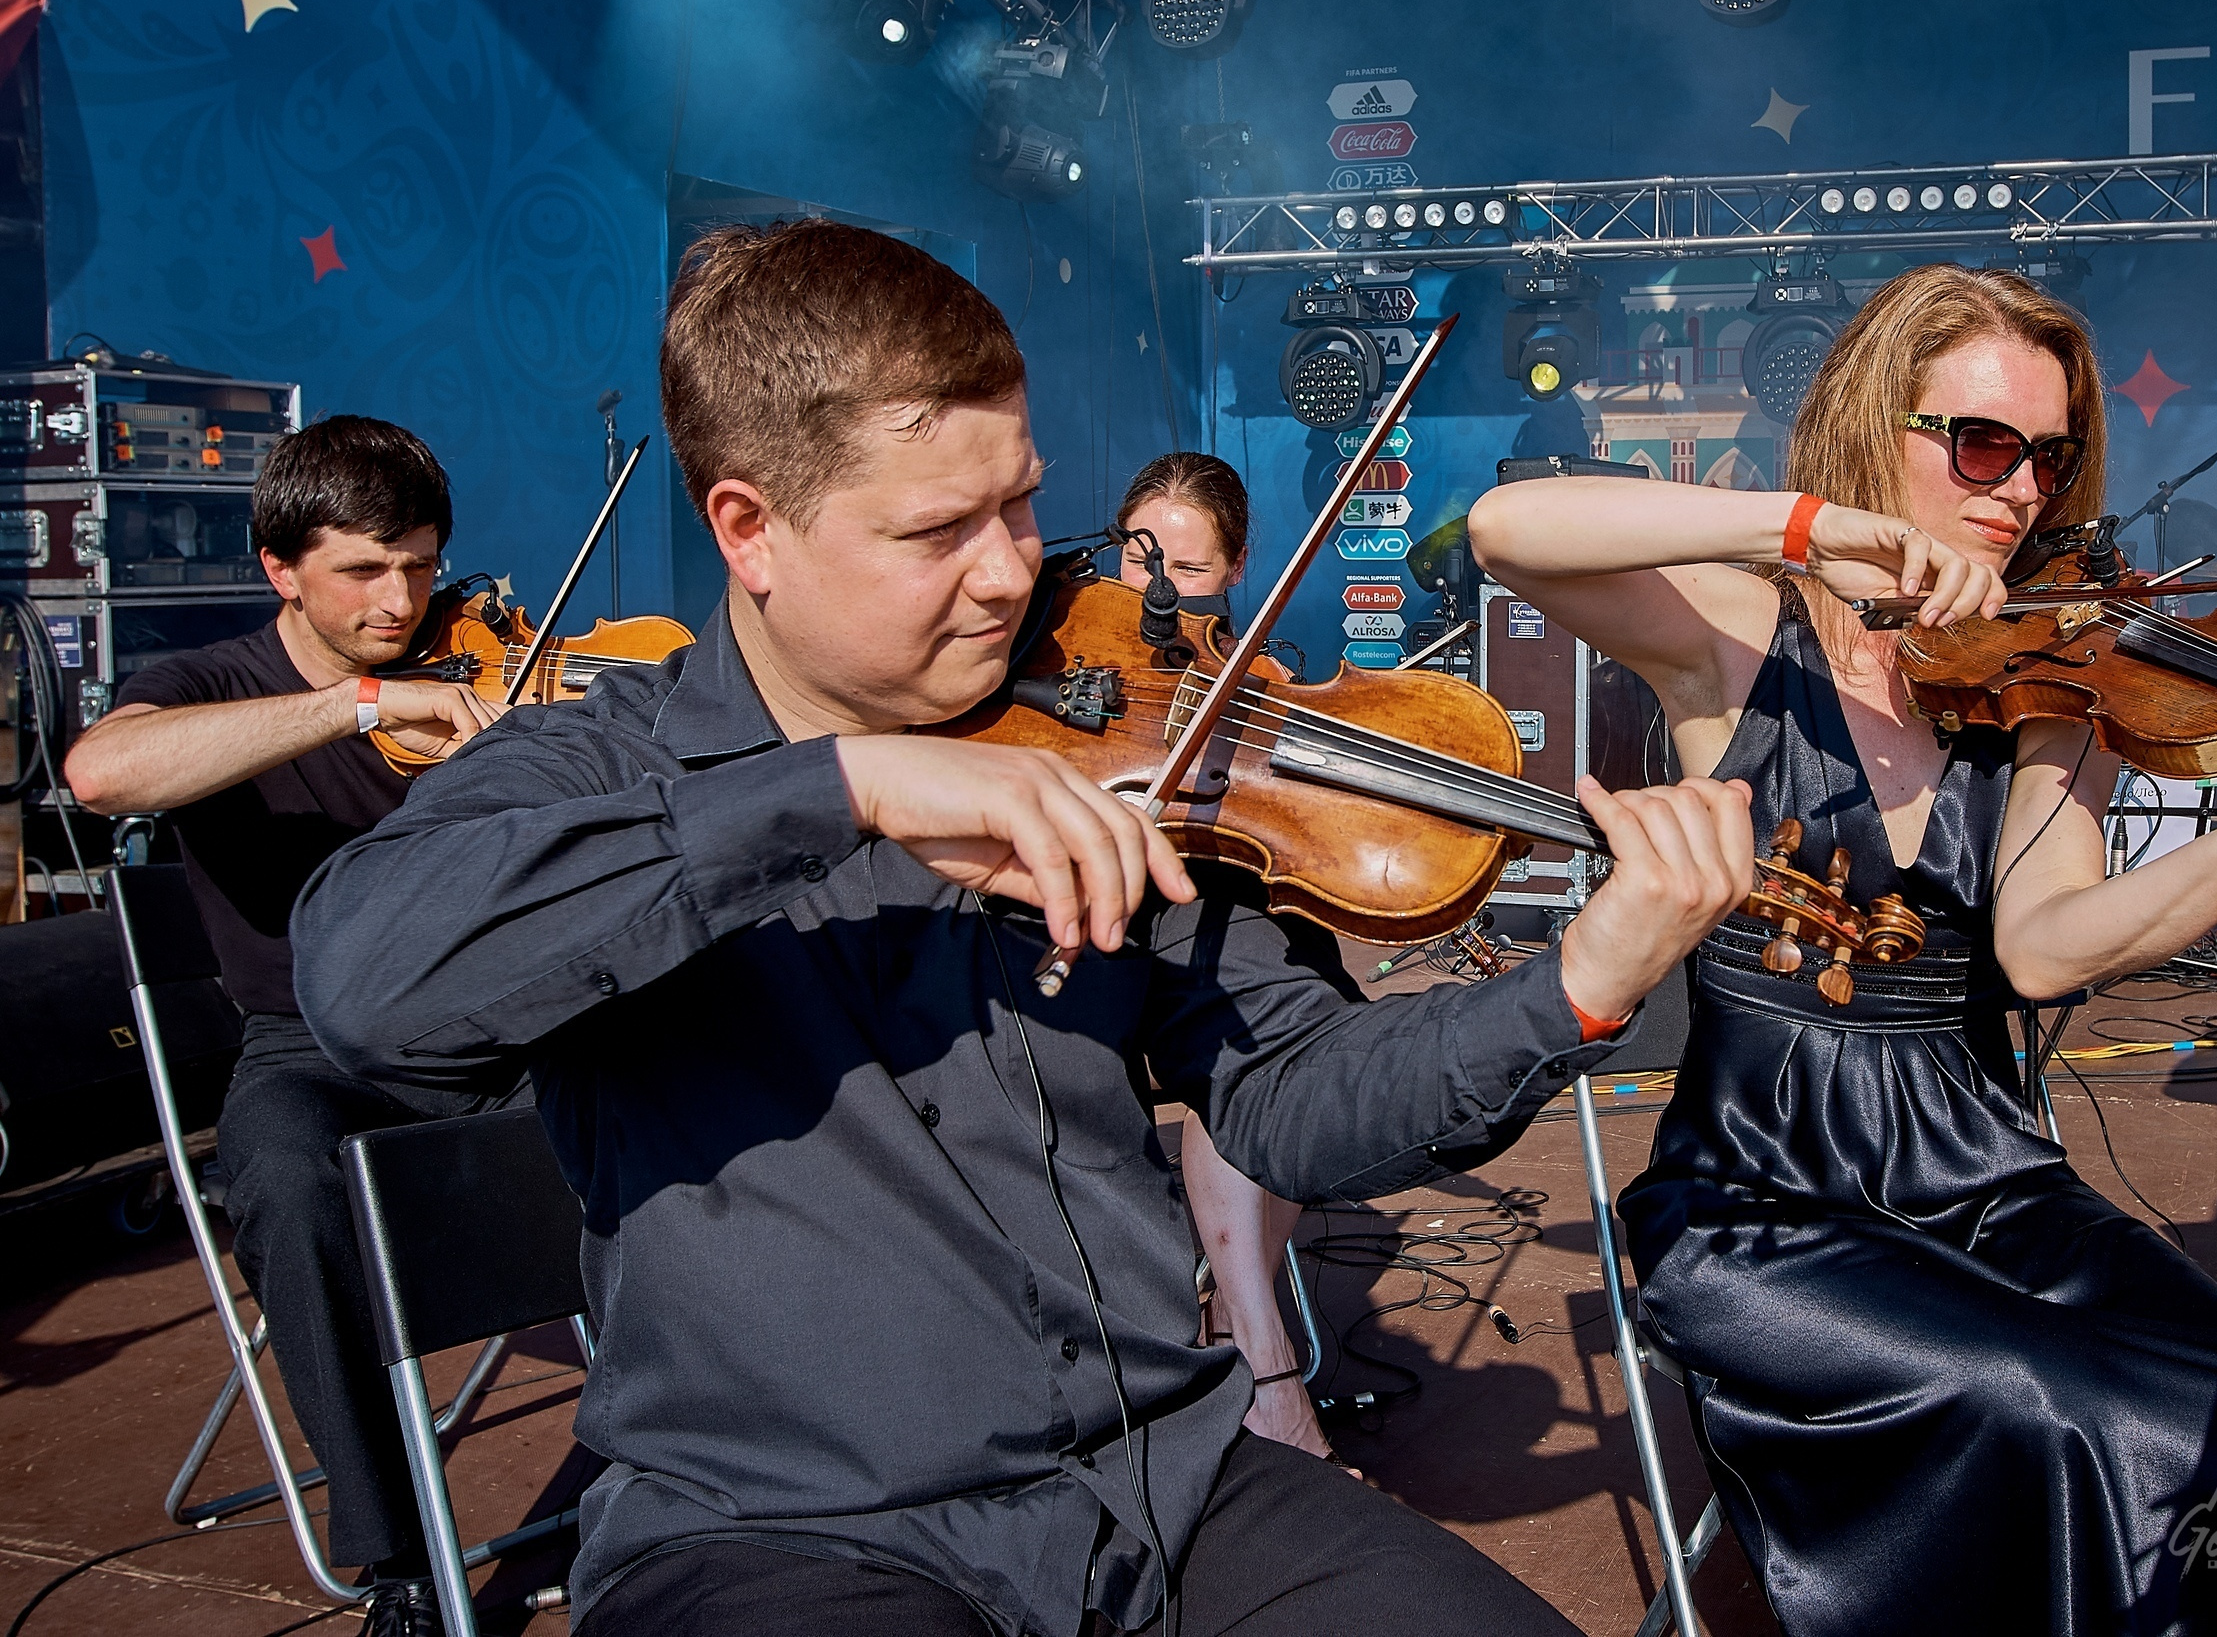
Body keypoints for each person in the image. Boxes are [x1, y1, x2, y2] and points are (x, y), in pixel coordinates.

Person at [290, 218, 1758, 1637]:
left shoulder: (1112, 748)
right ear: (752, 528)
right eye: (940, 529)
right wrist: (844, 785)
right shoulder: (604, 764)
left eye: (1020, 503)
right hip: (785, 1533)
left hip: (1159, 1485)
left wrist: (1578, 981)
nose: (1012, 572)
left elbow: (1297, 1104)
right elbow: (367, 979)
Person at [1468, 262, 2217, 1637]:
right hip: (1769, 1197)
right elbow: (1507, 527)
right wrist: (1809, 528)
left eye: (2049, 458)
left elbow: (2049, 947)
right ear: (1878, 427)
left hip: (1983, 1171)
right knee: (2064, 1410)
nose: (2021, 489)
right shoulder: (1743, 632)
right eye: (1985, 441)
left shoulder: (2045, 677)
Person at [62, 416, 511, 1637]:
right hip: (316, 1047)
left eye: (420, 564)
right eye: (363, 570)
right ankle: (402, 1562)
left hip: (498, 1031)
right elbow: (101, 775)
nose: (403, 599)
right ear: (281, 569)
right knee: (280, 1177)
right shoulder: (212, 683)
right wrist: (357, 706)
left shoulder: (482, 675)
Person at [1109, 453, 1332, 1463]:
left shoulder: (1256, 682)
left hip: (1221, 891)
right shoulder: (1071, 652)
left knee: (1284, 1027)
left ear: (1237, 569)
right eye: (1136, 556)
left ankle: (1241, 1318)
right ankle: (1264, 1363)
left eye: (1187, 571)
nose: (1152, 588)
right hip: (1102, 913)